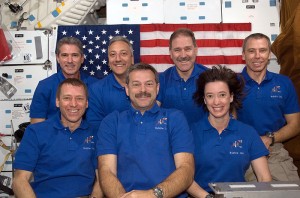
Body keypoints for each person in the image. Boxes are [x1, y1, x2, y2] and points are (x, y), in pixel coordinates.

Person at [97, 63, 195, 198]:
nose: (143, 90)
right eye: (136, 84)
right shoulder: (111, 122)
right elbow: (106, 171)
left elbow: (186, 170)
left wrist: (152, 195)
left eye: (149, 84)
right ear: (127, 89)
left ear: (158, 88)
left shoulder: (175, 118)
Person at [188, 65, 272, 197]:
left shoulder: (248, 133)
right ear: (204, 99)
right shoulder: (190, 132)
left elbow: (264, 179)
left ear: (231, 97)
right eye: (210, 96)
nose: (216, 102)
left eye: (222, 95)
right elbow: (185, 178)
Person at [13, 78, 102, 197]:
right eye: (67, 98)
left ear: (86, 103)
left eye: (79, 98)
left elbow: (102, 177)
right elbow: (20, 180)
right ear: (57, 102)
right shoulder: (35, 132)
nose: (73, 104)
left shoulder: (97, 133)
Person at [238, 33, 300, 182]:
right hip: (241, 150)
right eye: (251, 51)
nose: (257, 56)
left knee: (291, 192)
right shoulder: (232, 83)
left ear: (269, 54)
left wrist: (269, 139)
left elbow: (295, 124)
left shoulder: (284, 83)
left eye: (262, 50)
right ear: (243, 55)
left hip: (275, 149)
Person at [30, 36, 98, 124]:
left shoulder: (96, 86)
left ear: (82, 58)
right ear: (58, 58)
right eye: (65, 55)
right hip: (52, 137)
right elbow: (37, 127)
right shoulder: (45, 86)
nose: (70, 60)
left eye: (75, 55)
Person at [157, 28, 208, 126]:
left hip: (204, 139)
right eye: (177, 50)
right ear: (170, 53)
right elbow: (152, 114)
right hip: (171, 140)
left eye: (188, 49)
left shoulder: (210, 77)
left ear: (196, 50)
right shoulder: (162, 79)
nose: (183, 55)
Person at [86, 36, 134, 131]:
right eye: (112, 55)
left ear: (132, 59)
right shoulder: (96, 90)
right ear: (108, 61)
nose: (118, 59)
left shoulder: (145, 85)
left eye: (123, 53)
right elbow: (95, 127)